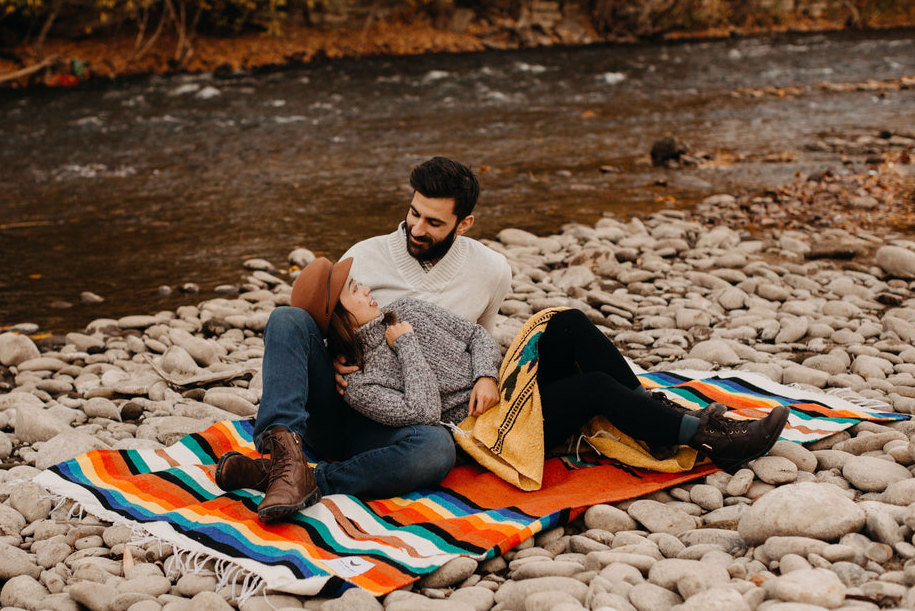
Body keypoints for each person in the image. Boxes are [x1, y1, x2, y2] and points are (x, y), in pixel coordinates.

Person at [284, 257, 789, 477]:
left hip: (503, 386)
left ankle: (654, 414)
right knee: (592, 387)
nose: (366, 287)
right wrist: (407, 347)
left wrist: (485, 374)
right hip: (489, 428)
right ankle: (706, 439)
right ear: (341, 317)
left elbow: (479, 335)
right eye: (354, 289)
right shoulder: (360, 382)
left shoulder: (408, 309)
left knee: (565, 321)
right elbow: (421, 412)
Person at [215, 157, 512, 521]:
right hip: (337, 406)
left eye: (433, 222)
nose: (416, 228)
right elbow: (323, 323)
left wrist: (487, 374)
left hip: (400, 423)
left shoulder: (492, 271)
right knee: (287, 318)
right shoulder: (364, 255)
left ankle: (304, 478)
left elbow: (480, 338)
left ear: (463, 224)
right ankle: (284, 454)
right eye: (413, 213)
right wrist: (335, 356)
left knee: (436, 449)